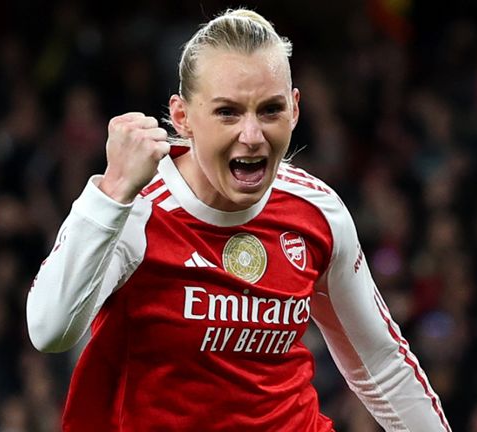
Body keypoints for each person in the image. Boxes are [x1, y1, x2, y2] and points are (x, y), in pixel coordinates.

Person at [26, 8, 450, 432]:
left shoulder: (317, 210)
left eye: (270, 110)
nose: (252, 135)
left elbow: (381, 364)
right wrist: (113, 191)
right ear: (181, 117)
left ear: (295, 109)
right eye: (228, 112)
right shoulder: (133, 208)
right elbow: (50, 330)